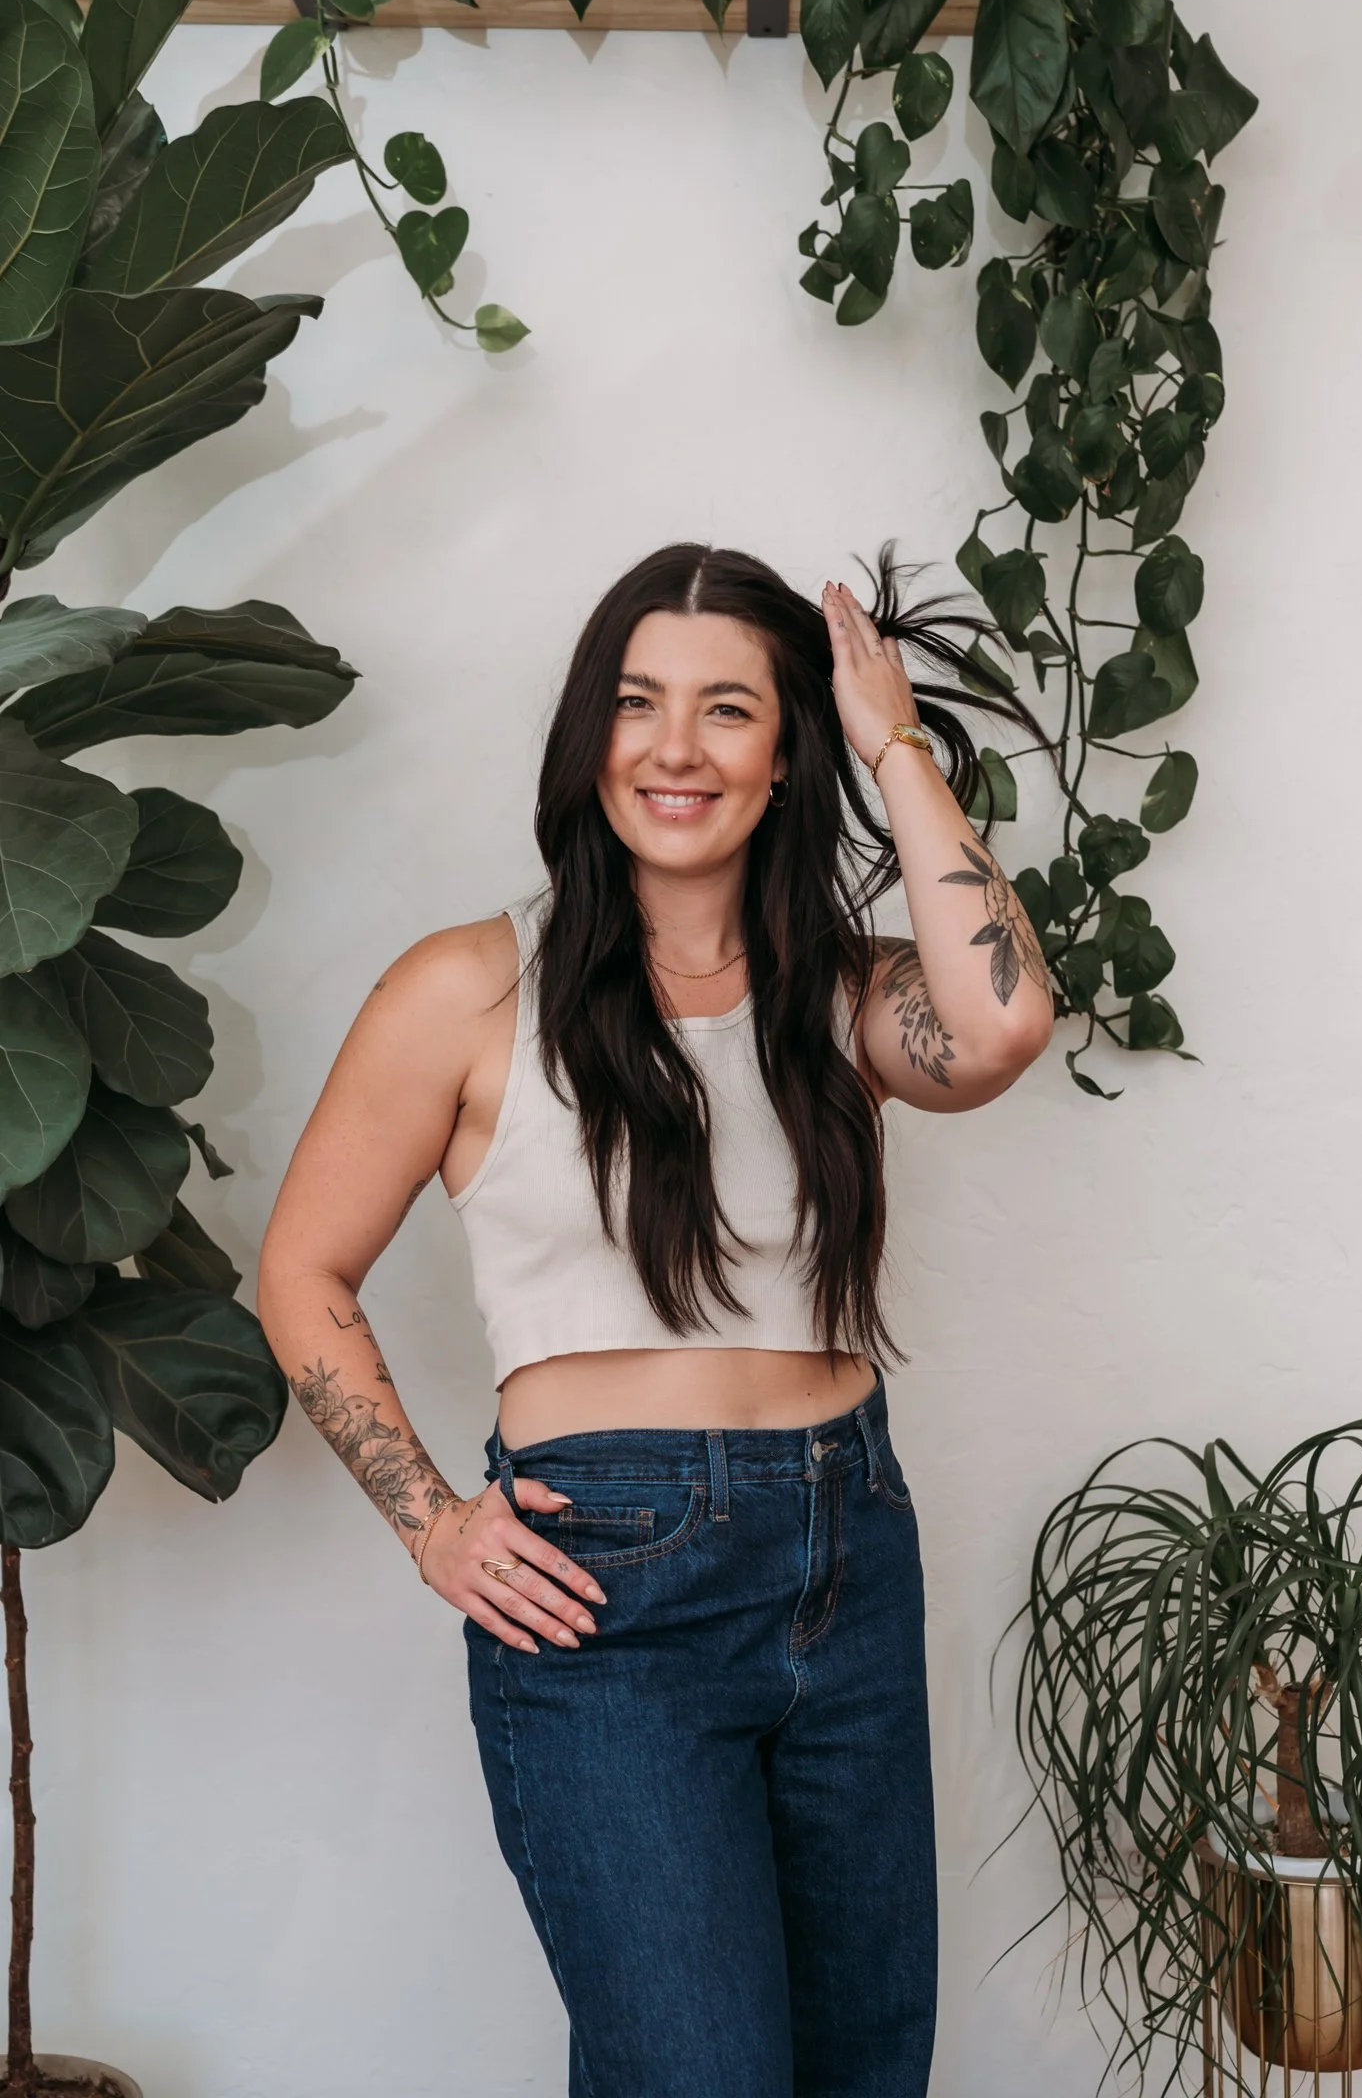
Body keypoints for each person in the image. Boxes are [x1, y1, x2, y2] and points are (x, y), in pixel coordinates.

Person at [256, 542, 1053, 2098]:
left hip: (847, 1551)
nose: (674, 747)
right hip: (610, 1593)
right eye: (636, 702)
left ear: (786, 753)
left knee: (861, 2068)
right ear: (588, 734)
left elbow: (1007, 1017)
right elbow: (301, 1272)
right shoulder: (472, 989)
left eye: (729, 710)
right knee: (700, 2074)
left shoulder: (835, 996)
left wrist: (893, 737)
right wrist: (433, 1523)